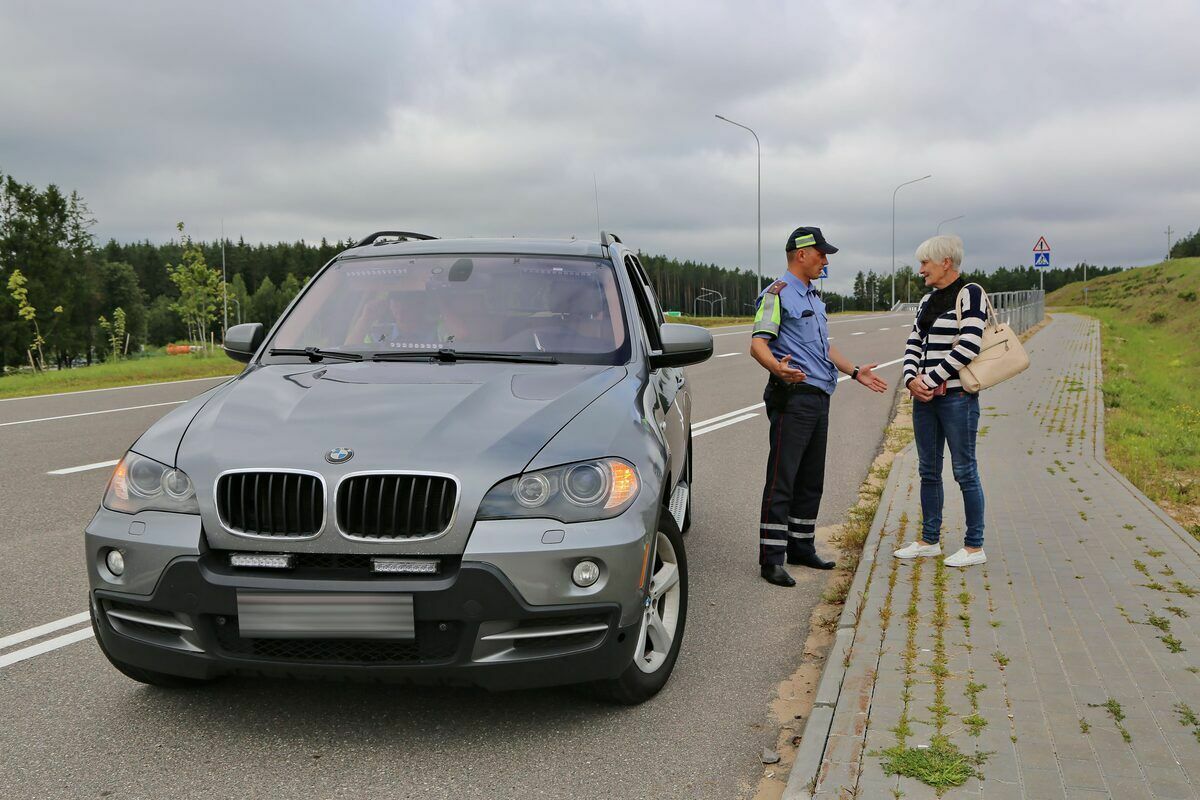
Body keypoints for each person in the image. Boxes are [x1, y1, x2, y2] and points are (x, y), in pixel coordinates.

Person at [751, 227, 889, 587]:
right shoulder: (776, 295)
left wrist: (855, 371)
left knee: (811, 480)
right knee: (783, 479)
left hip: (819, 398)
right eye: (821, 254)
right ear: (801, 255)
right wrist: (776, 367)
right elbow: (758, 344)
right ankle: (771, 558)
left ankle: (801, 546)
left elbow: (824, 347)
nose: (825, 261)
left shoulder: (812, 297)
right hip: (793, 398)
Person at [893, 235, 988, 568]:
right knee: (929, 471)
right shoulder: (925, 301)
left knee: (965, 471)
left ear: (945, 261)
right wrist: (911, 380)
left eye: (925, 263)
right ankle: (929, 540)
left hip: (957, 399)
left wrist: (930, 380)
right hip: (925, 400)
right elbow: (914, 343)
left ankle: (974, 546)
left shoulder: (970, 294)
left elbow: (969, 346)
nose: (921, 270)